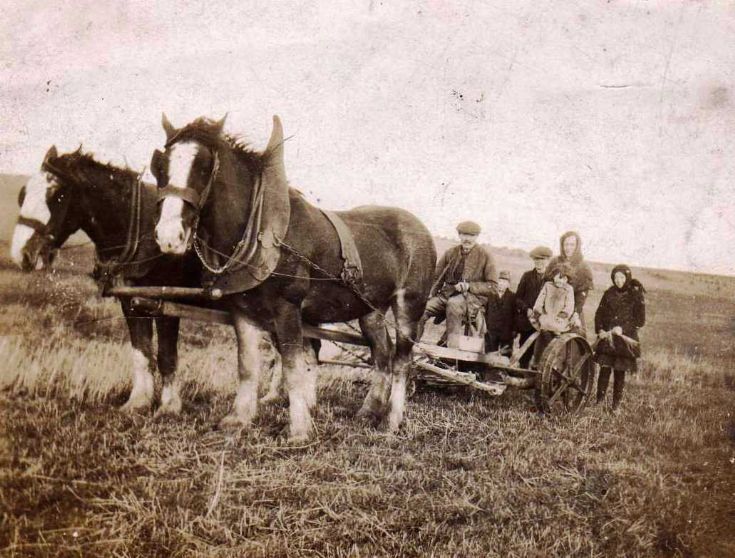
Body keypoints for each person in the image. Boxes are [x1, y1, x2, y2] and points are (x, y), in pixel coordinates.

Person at [421, 221, 497, 340]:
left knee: (454, 304)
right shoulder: (450, 253)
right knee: (422, 308)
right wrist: (430, 293)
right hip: (447, 294)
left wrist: (469, 286)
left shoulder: (485, 256)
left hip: (472, 299)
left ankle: (451, 350)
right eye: (464, 235)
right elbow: (437, 277)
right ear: (459, 235)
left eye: (471, 236)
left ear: (477, 237)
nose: (467, 239)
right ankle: (410, 345)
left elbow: (492, 286)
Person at [594, 264, 646, 412]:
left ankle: (615, 406)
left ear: (627, 278)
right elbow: (599, 313)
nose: (618, 281)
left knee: (619, 373)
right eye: (616, 277)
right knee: (604, 370)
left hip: (624, 341)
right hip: (608, 339)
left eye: (622, 277)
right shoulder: (608, 293)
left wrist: (623, 329)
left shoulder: (635, 295)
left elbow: (640, 321)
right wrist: (600, 330)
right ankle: (599, 402)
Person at [545, 231, 593, 332]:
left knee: (576, 336)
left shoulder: (583, 267)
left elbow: (582, 294)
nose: (568, 248)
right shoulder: (555, 262)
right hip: (552, 307)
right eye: (566, 244)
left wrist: (575, 312)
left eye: (572, 244)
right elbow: (546, 284)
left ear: (577, 246)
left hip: (572, 309)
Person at [515, 246, 552, 367]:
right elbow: (518, 298)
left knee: (541, 355)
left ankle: (536, 380)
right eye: (536, 260)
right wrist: (526, 309)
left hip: (543, 324)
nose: (539, 263)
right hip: (527, 322)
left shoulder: (551, 279)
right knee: (524, 354)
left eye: (542, 260)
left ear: (547, 261)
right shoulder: (527, 276)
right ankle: (521, 378)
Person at [531, 263, 575, 365]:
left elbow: (569, 305)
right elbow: (539, 301)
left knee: (554, 329)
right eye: (558, 278)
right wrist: (538, 312)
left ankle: (553, 353)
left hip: (560, 318)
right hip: (546, 316)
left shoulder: (568, 289)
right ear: (553, 276)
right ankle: (540, 357)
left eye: (564, 279)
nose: (560, 281)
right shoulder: (548, 286)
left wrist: (562, 315)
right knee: (545, 327)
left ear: (567, 279)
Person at [485, 270, 516, 353]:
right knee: (489, 355)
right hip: (491, 331)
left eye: (505, 282)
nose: (502, 283)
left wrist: (513, 331)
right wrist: (486, 326)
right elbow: (486, 312)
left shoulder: (513, 297)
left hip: (506, 333)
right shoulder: (490, 295)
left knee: (505, 356)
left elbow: (515, 315)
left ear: (508, 284)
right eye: (500, 281)